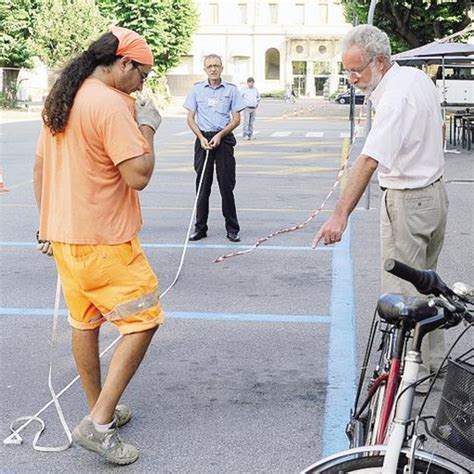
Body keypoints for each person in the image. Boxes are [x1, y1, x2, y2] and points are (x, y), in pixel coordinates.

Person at [34, 26, 163, 465]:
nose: (143, 83)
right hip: (105, 239)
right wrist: (147, 126)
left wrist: (45, 225)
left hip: (66, 236)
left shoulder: (64, 97)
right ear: (123, 63)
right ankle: (100, 422)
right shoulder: (111, 105)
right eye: (141, 74)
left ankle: (97, 409)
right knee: (144, 320)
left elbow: (40, 167)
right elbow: (138, 175)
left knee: (85, 322)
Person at [313, 25, 448, 392]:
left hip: (408, 198)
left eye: (357, 71)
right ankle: (431, 366)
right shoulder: (416, 80)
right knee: (426, 285)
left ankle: (409, 375)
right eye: (348, 71)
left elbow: (369, 160)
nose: (352, 79)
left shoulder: (393, 99)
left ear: (382, 62)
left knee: (402, 296)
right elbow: (437, 132)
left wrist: (340, 215)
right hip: (434, 194)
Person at [184, 54, 246, 243]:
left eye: (216, 66)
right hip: (203, 139)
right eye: (209, 66)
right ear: (204, 69)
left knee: (226, 185)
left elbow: (236, 119)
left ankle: (232, 228)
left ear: (222, 68)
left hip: (223, 138)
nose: (213, 69)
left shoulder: (231, 90)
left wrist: (220, 135)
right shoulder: (196, 90)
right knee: (202, 186)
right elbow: (190, 118)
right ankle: (200, 228)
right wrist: (201, 138)